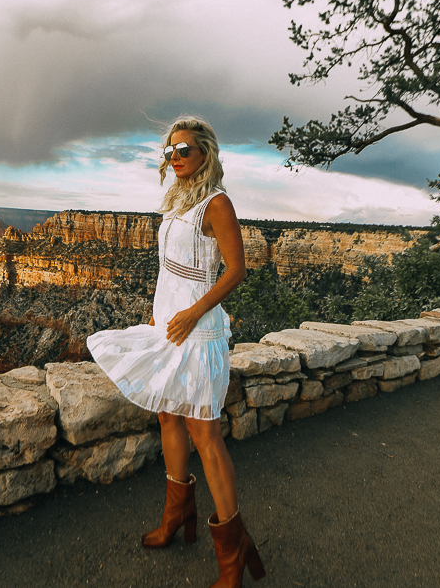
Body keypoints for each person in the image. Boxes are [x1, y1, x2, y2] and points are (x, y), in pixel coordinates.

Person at [86, 115, 265, 587]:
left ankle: (233, 550)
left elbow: (236, 270)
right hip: (168, 325)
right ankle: (177, 515)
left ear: (206, 152)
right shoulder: (175, 202)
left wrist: (192, 313)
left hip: (198, 330)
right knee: (167, 416)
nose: (176, 157)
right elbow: (170, 270)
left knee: (205, 435)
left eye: (184, 149)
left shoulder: (217, 203)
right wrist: (157, 311)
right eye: (169, 151)